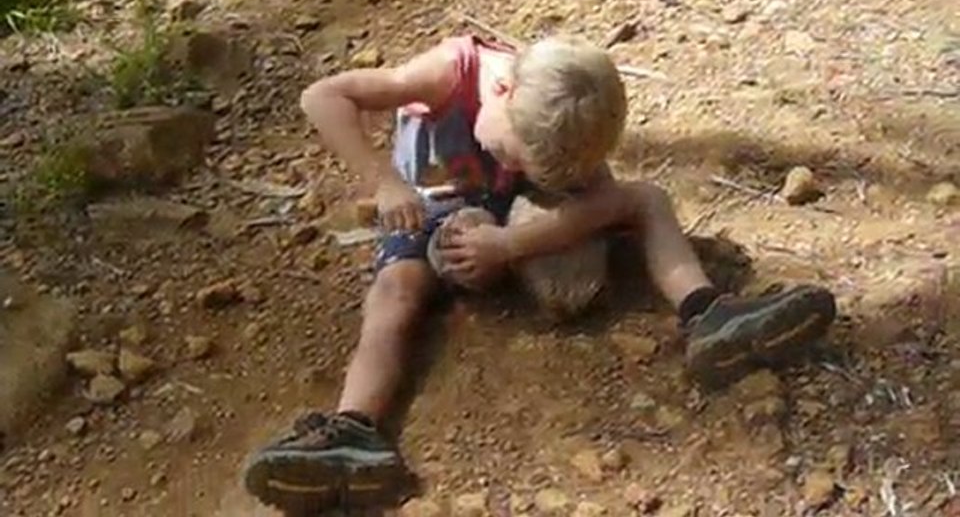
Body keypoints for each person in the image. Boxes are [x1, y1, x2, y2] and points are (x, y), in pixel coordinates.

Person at [242, 33, 837, 513]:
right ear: (502, 90)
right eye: (511, 155)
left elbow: (599, 198)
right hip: (427, 211)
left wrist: (510, 243)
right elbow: (322, 96)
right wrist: (385, 183)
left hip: (512, 222)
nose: (508, 160)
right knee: (397, 291)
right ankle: (354, 429)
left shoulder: (563, 117)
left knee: (645, 198)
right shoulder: (450, 71)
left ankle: (706, 314)